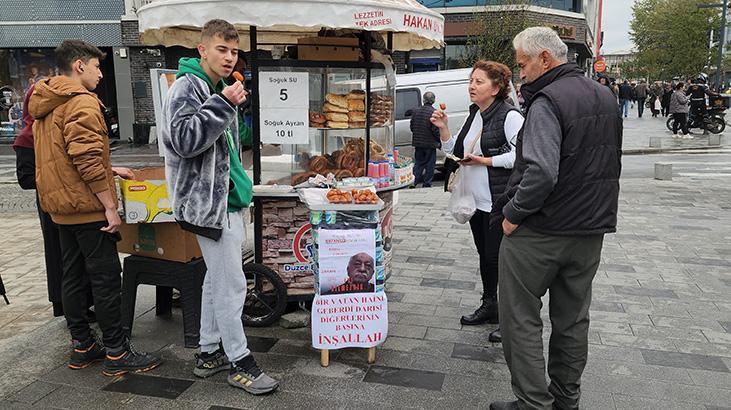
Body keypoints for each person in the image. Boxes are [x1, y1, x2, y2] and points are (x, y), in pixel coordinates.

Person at [488, 27, 621, 410]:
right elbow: (609, 161)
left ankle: (533, 402)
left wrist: (512, 215)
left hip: (542, 229)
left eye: (524, 64)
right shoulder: (603, 95)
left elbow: (542, 171)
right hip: (590, 227)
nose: (521, 73)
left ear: (545, 59)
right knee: (573, 319)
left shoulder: (547, 100)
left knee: (520, 317)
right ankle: (566, 399)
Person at [29, 39, 162, 376]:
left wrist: (110, 167)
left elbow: (63, 154)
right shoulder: (82, 103)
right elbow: (85, 159)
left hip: (60, 207)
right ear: (79, 66)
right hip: (87, 207)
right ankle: (117, 352)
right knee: (105, 279)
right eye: (97, 66)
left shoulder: (46, 101)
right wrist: (110, 207)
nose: (101, 74)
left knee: (72, 275)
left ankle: (83, 345)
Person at [160, 19, 279, 395]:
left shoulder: (214, 87)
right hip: (208, 204)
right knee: (231, 286)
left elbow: (226, 144)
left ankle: (208, 352)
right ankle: (239, 362)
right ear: (202, 50)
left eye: (234, 51)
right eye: (221, 50)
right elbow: (183, 140)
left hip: (223, 200)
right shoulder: (187, 88)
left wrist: (235, 108)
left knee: (217, 279)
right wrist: (223, 103)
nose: (229, 58)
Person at [430, 60, 524, 339]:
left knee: (500, 259)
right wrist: (444, 128)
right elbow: (454, 150)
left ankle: (510, 320)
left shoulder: (510, 117)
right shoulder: (475, 115)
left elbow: (521, 155)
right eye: (471, 80)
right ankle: (490, 305)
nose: (472, 86)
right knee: (486, 256)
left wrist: (485, 160)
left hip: (498, 201)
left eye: (479, 81)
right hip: (476, 202)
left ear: (496, 88)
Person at [409, 91, 440, 188]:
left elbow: (412, 127)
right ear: (433, 101)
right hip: (430, 144)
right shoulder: (434, 113)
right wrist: (439, 141)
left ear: (423, 99)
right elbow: (435, 130)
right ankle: (427, 184)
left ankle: (413, 182)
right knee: (430, 165)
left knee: (418, 163)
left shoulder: (416, 111)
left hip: (418, 143)